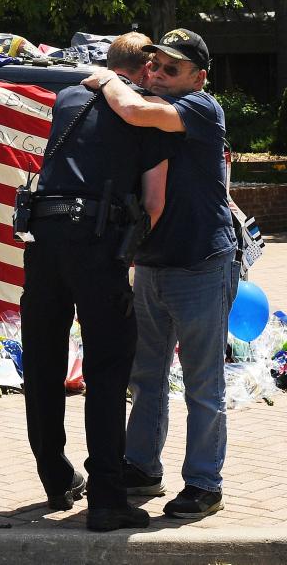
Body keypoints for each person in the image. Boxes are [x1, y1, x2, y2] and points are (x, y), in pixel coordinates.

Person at [82, 29, 238, 519]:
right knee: (145, 376)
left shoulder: (200, 109)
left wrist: (108, 76)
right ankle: (143, 466)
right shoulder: (150, 99)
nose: (158, 74)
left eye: (172, 68)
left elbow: (130, 110)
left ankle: (204, 483)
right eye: (154, 65)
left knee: (202, 383)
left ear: (199, 77)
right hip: (152, 264)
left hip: (201, 265)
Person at [21, 32, 173, 532]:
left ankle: (55, 478)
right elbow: (153, 204)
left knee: (44, 362)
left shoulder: (68, 100)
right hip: (97, 246)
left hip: (45, 243)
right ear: (147, 69)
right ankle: (106, 497)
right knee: (107, 371)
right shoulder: (148, 115)